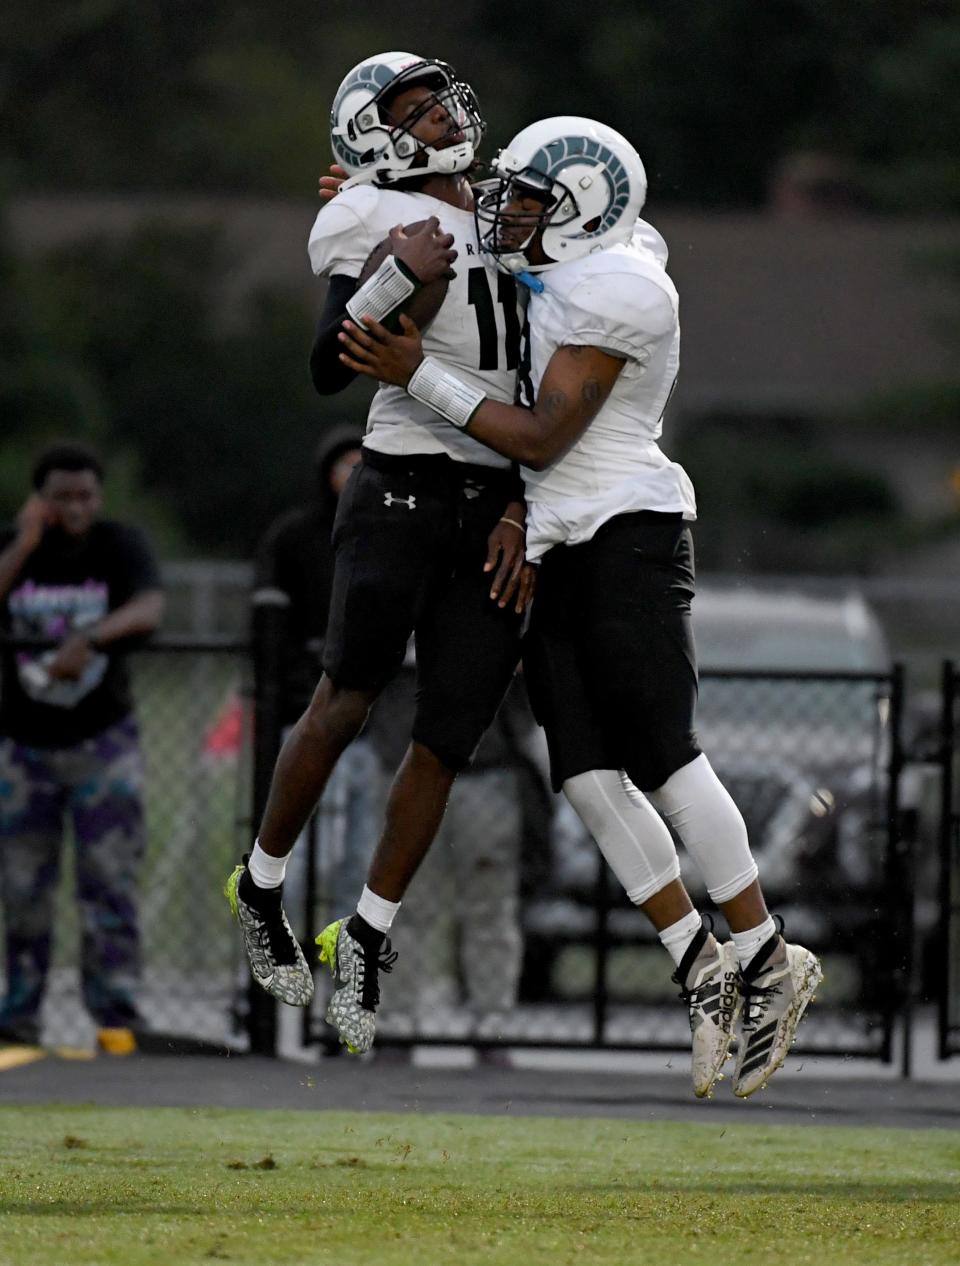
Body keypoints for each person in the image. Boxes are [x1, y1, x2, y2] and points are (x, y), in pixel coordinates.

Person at [337, 116, 824, 1098]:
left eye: (527, 197)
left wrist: (414, 376)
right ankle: (700, 966)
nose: (505, 210)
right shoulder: (576, 264)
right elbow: (483, 271)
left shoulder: (622, 289)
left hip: (626, 532)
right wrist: (372, 192)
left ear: (581, 210)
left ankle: (768, 953)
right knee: (588, 776)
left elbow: (546, 430)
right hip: (560, 537)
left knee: (663, 753)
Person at [225, 52, 534, 1050]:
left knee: (448, 736)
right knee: (348, 696)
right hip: (402, 477)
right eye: (416, 106)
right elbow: (327, 365)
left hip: (497, 490)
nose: (443, 114)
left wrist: (531, 501)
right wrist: (400, 270)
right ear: (374, 129)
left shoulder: (510, 201)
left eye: (441, 97)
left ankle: (365, 932)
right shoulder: (365, 214)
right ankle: (262, 885)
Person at [0, 441, 164, 1053]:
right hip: (24, 747)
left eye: (85, 496)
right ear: (39, 501)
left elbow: (149, 607)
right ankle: (18, 1013)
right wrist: (22, 546)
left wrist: (89, 639)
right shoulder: (17, 549)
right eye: (61, 497)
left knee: (109, 881)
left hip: (103, 741)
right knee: (22, 888)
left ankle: (116, 1015)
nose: (75, 508)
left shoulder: (119, 546)